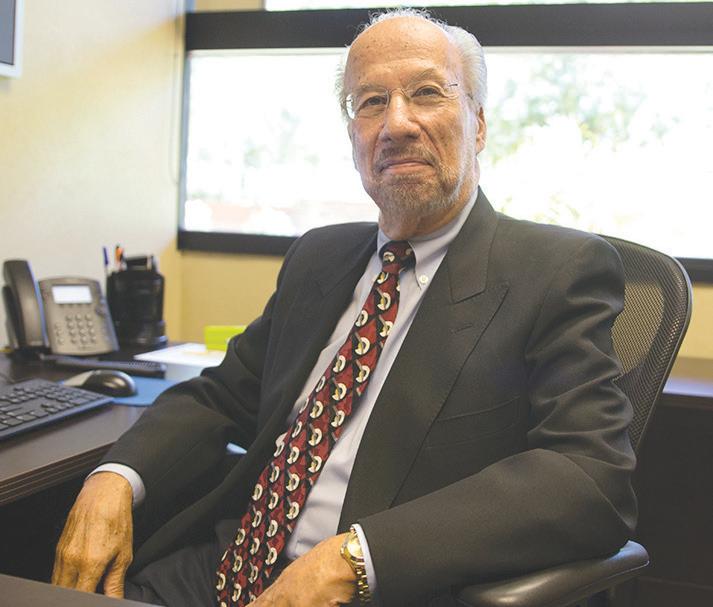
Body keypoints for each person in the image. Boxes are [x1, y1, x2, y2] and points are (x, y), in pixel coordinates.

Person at [52, 9, 637, 607]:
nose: (397, 124)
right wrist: (115, 478)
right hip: (221, 569)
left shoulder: (555, 270)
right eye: (371, 102)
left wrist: (356, 558)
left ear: (478, 123)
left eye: (426, 93)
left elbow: (589, 478)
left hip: (380, 590)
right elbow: (221, 396)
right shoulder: (319, 257)